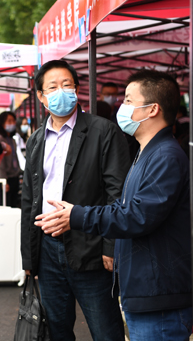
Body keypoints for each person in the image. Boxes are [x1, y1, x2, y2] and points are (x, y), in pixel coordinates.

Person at [38, 69, 193, 340]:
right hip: (145, 288)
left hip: (158, 294)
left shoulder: (165, 156)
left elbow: (137, 215)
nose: (123, 107)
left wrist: (76, 215)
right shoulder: (147, 151)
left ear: (153, 109)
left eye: (130, 101)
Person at [20, 60, 129, 341]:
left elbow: (117, 192)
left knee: (105, 329)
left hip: (90, 244)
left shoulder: (103, 131)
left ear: (77, 90)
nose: (61, 91)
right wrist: (29, 256)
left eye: (67, 85)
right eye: (53, 87)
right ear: (41, 96)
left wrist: (111, 246)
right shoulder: (36, 140)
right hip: (48, 249)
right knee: (57, 329)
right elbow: (29, 199)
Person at [0, 111, 21, 207]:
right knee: (6, 207)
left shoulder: (12, 140)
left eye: (13, 121)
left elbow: (15, 157)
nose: (12, 123)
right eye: (9, 121)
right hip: (5, 180)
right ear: (2, 123)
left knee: (14, 206)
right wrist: (3, 181)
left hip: (14, 178)